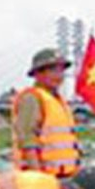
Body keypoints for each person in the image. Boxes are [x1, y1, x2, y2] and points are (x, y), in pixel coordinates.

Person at [10, 48, 81, 178]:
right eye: (53, 71)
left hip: (63, 175)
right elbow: (27, 139)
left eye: (61, 71)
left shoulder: (58, 101)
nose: (59, 76)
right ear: (38, 73)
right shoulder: (32, 98)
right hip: (43, 177)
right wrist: (38, 177)